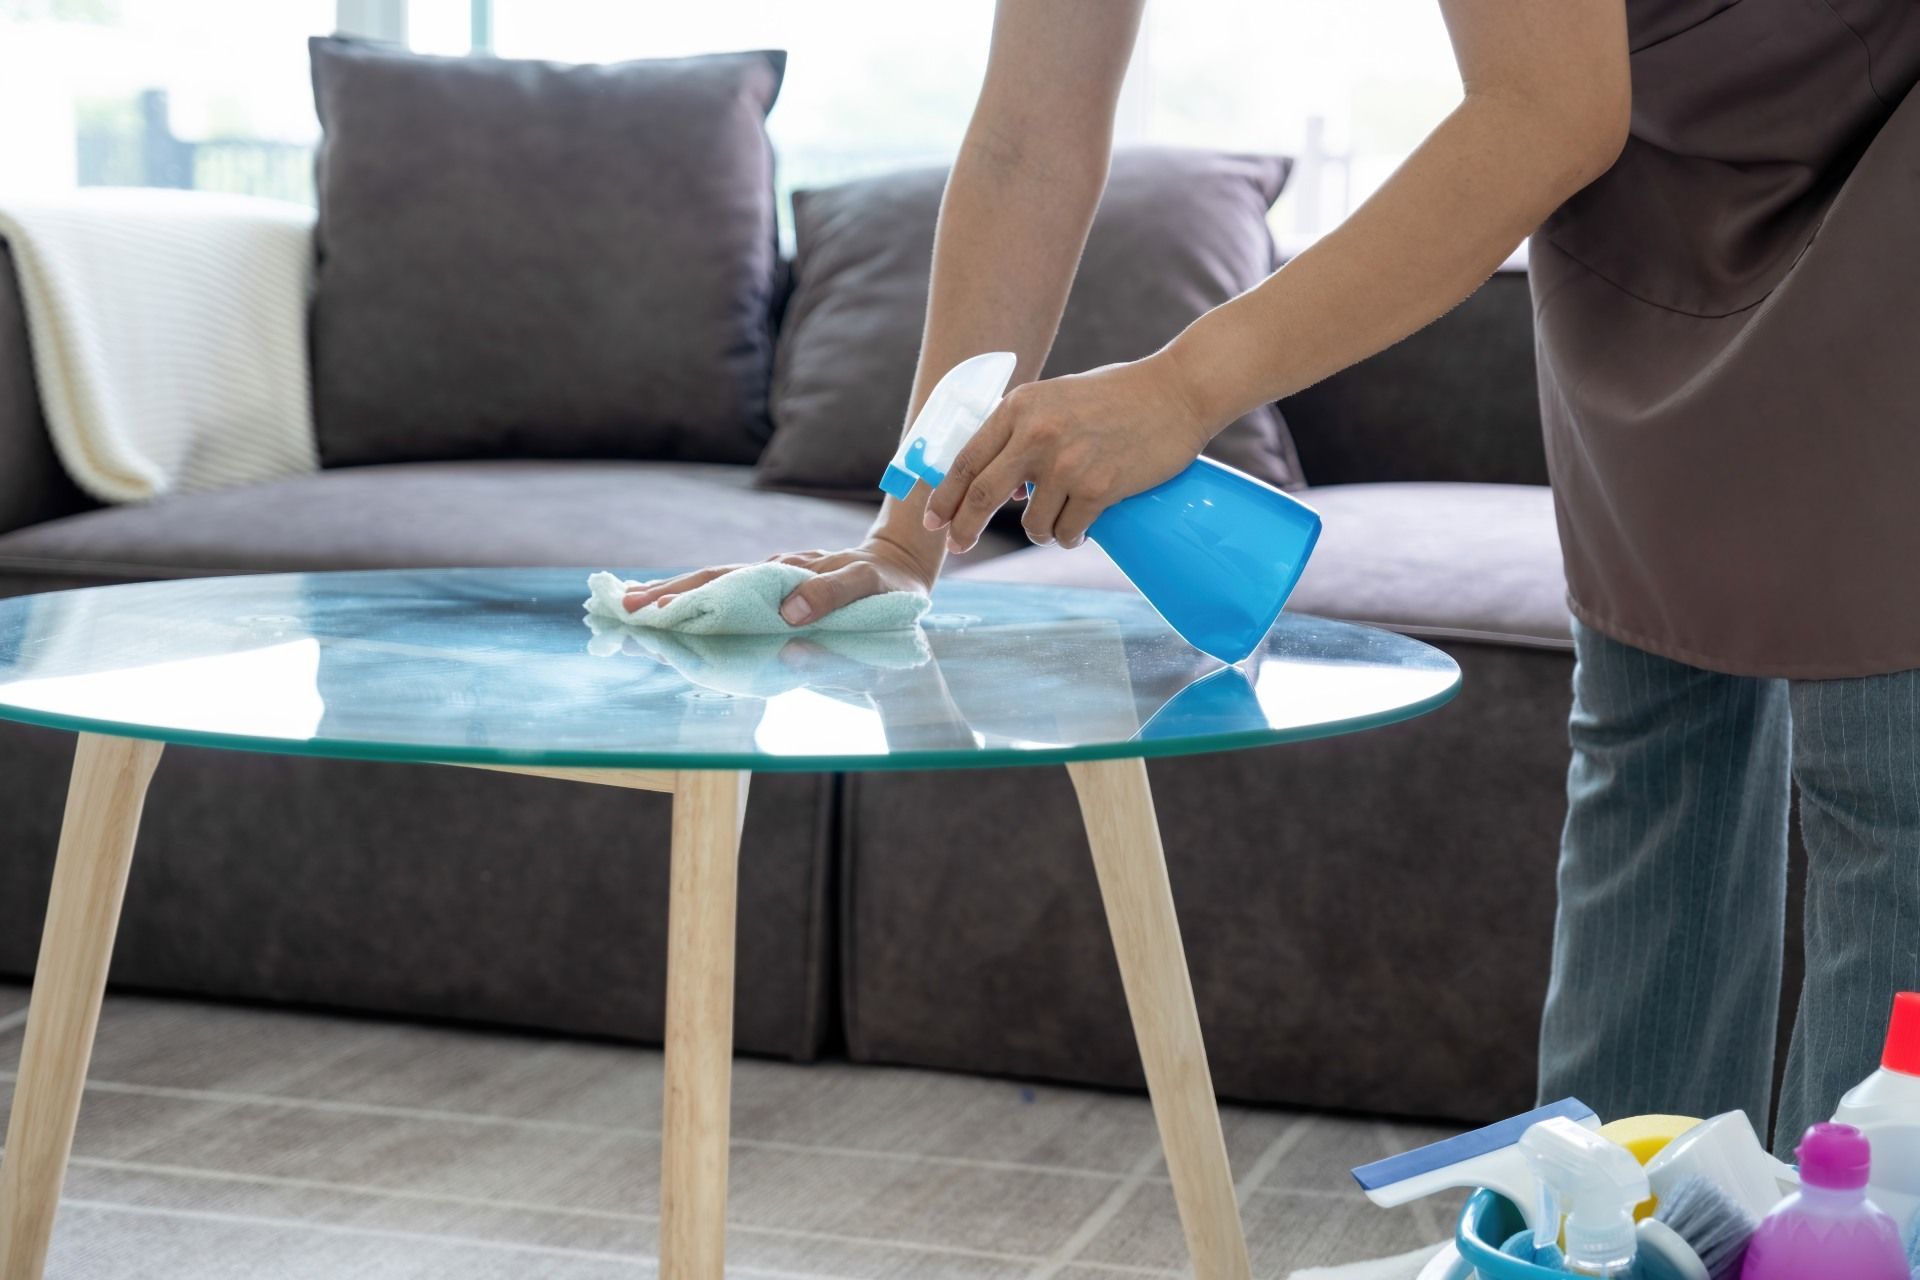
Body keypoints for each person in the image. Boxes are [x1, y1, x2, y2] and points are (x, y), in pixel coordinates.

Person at [628, 1, 1920, 1147]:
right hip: (1647, 171)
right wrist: (912, 527)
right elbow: (1031, 128)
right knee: (1653, 730)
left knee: (1887, 771)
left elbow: (1546, 110)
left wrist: (1185, 387)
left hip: (1876, 131)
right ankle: (1603, 1250)